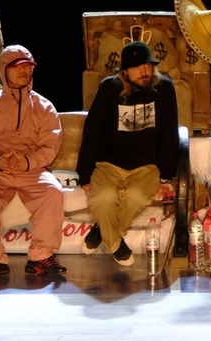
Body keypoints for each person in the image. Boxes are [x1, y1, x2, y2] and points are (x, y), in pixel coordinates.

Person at [0, 46, 66, 280]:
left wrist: (28, 162)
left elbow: (50, 145)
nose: (24, 71)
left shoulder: (44, 106)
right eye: (17, 66)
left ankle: (41, 257)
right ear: (4, 70)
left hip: (32, 169)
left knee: (52, 192)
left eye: (28, 66)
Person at [76, 40, 179, 266]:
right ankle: (114, 242)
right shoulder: (109, 88)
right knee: (103, 198)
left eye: (148, 65)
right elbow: (92, 131)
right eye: (137, 67)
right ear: (124, 71)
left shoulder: (163, 88)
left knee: (135, 197)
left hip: (146, 167)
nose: (144, 71)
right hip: (110, 165)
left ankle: (102, 232)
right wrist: (84, 174)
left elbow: (170, 133)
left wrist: (165, 176)